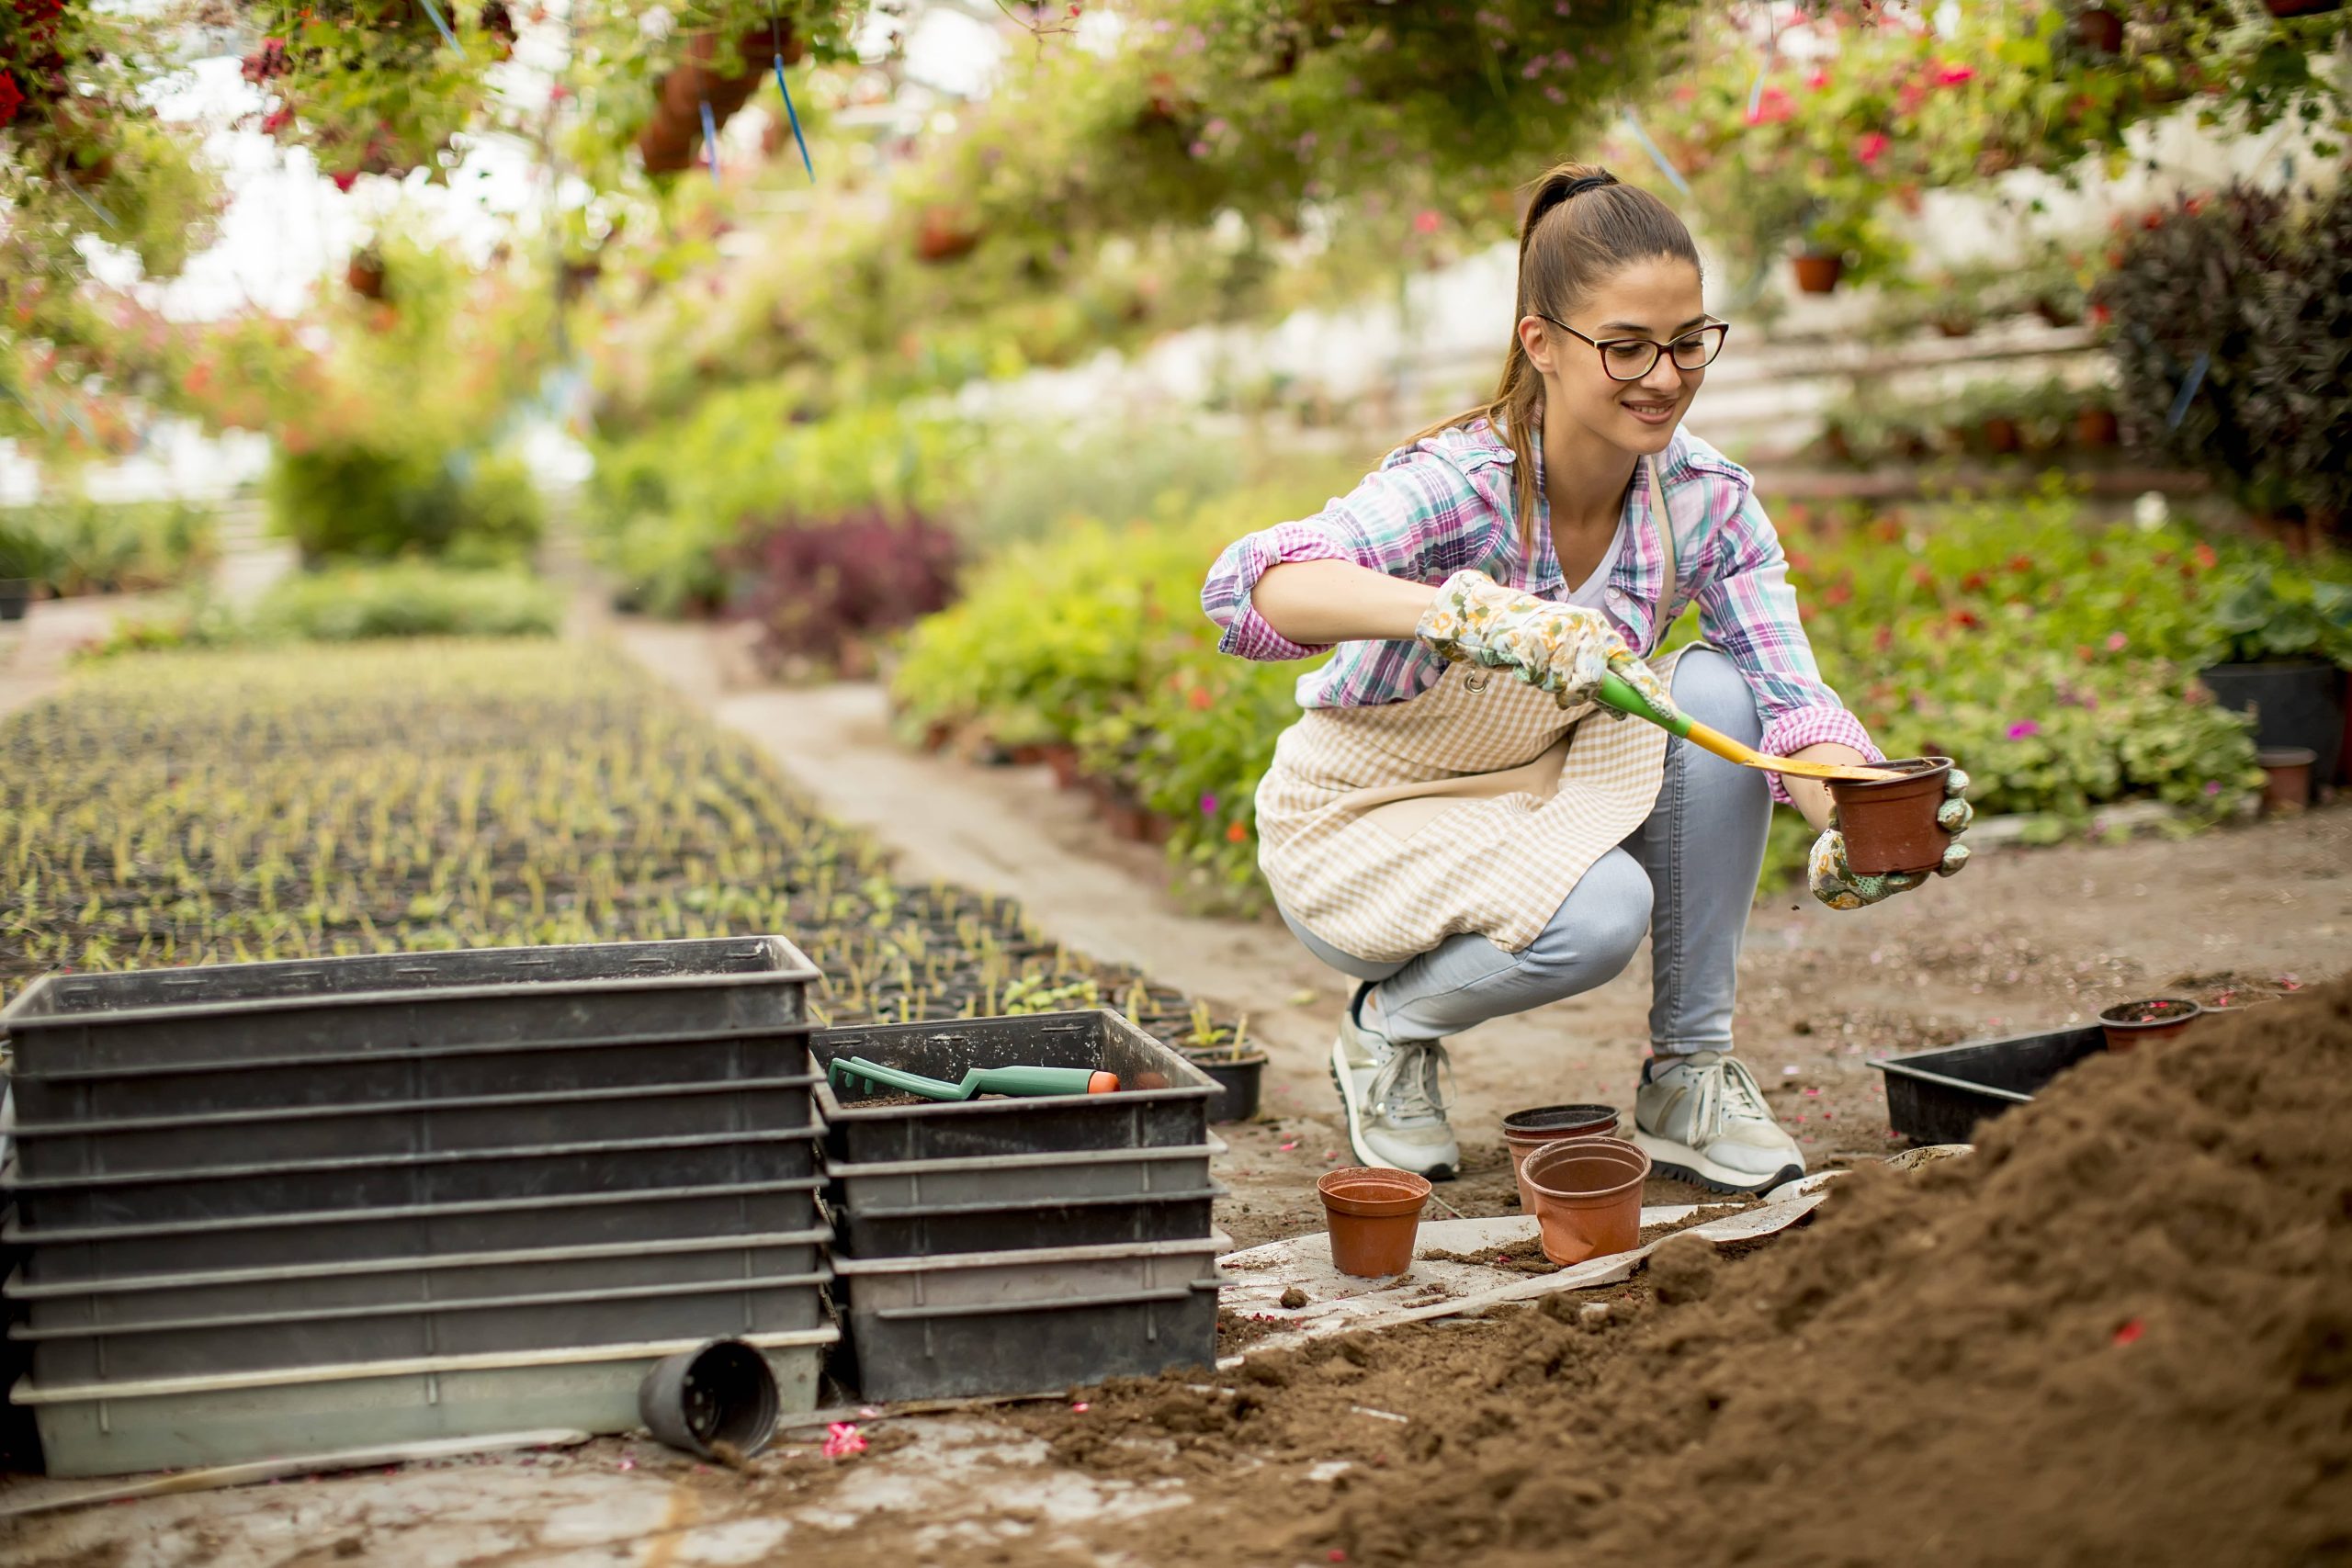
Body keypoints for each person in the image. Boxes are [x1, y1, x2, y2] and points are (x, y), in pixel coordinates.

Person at [1199, 161, 1972, 1195]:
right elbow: (1259, 585)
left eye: (1688, 341)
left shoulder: (1708, 502)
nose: (1664, 376)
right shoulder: (1461, 486)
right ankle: (1386, 1029)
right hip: (1363, 817)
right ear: (1542, 344)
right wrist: (1460, 611)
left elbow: (1789, 704)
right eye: (1625, 347)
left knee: (1717, 693)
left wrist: (1860, 811)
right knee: (1601, 914)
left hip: (1530, 795)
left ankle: (1687, 1078)